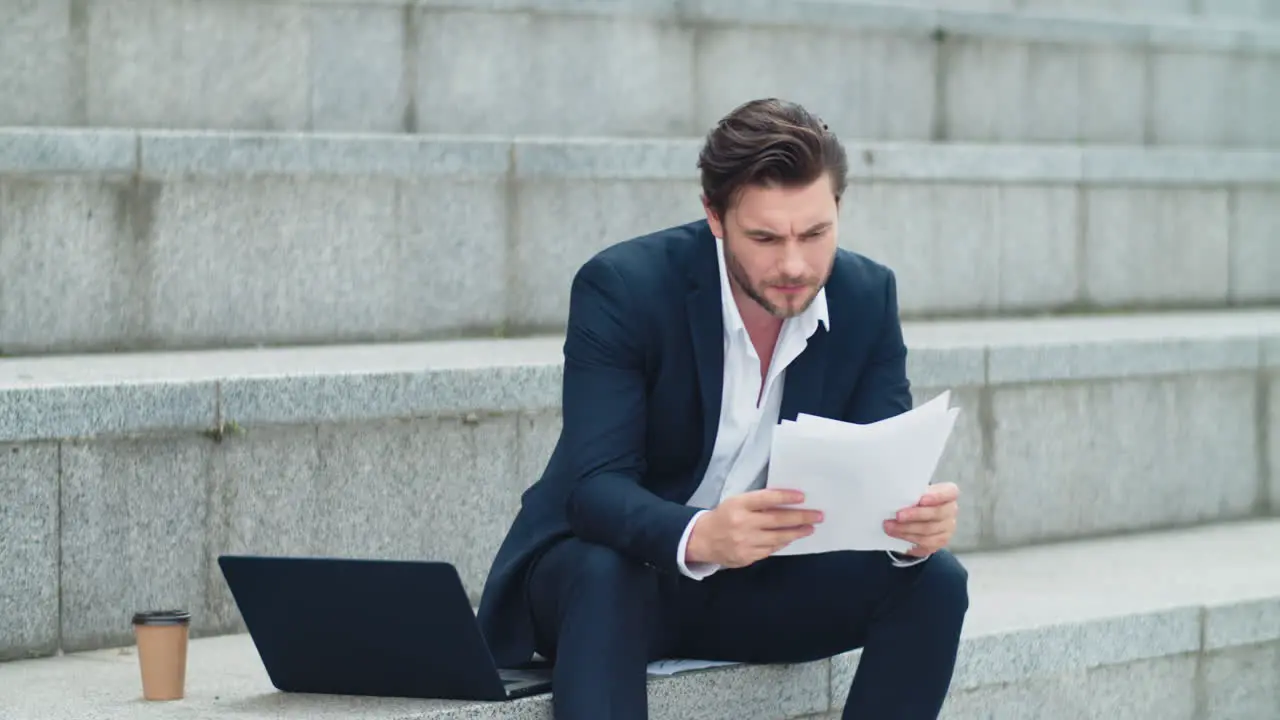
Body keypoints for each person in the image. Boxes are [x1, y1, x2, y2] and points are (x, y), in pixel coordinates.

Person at [476, 98, 968, 719]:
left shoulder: (867, 296)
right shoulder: (624, 288)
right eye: (764, 237)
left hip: (758, 584)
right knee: (608, 574)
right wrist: (700, 534)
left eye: (815, 234)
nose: (793, 264)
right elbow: (593, 490)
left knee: (935, 580)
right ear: (714, 216)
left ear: (838, 209)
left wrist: (907, 529)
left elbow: (874, 470)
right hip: (615, 579)